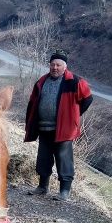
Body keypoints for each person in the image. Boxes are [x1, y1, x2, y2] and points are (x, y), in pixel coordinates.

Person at [24, 49, 93, 201]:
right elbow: (33, 102)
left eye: (58, 65)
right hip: (44, 128)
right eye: (52, 64)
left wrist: (73, 114)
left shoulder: (75, 81)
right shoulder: (42, 81)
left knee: (64, 160)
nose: (55, 68)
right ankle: (42, 187)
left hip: (64, 130)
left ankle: (64, 192)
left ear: (65, 67)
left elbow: (88, 99)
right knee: (43, 158)